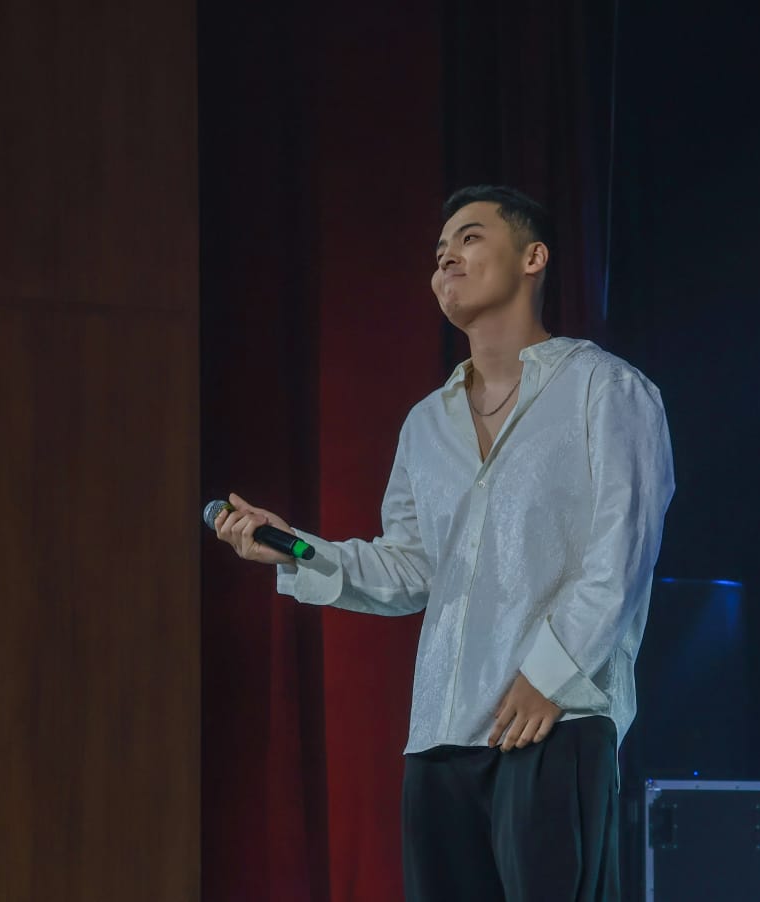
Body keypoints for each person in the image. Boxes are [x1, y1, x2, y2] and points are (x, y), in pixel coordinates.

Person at [213, 185, 674, 901]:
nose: (445, 259)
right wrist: (297, 550)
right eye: (438, 252)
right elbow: (413, 569)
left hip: (553, 717)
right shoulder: (426, 423)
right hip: (440, 732)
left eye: (469, 238)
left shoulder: (607, 389)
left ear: (533, 257)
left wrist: (549, 675)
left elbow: (624, 548)